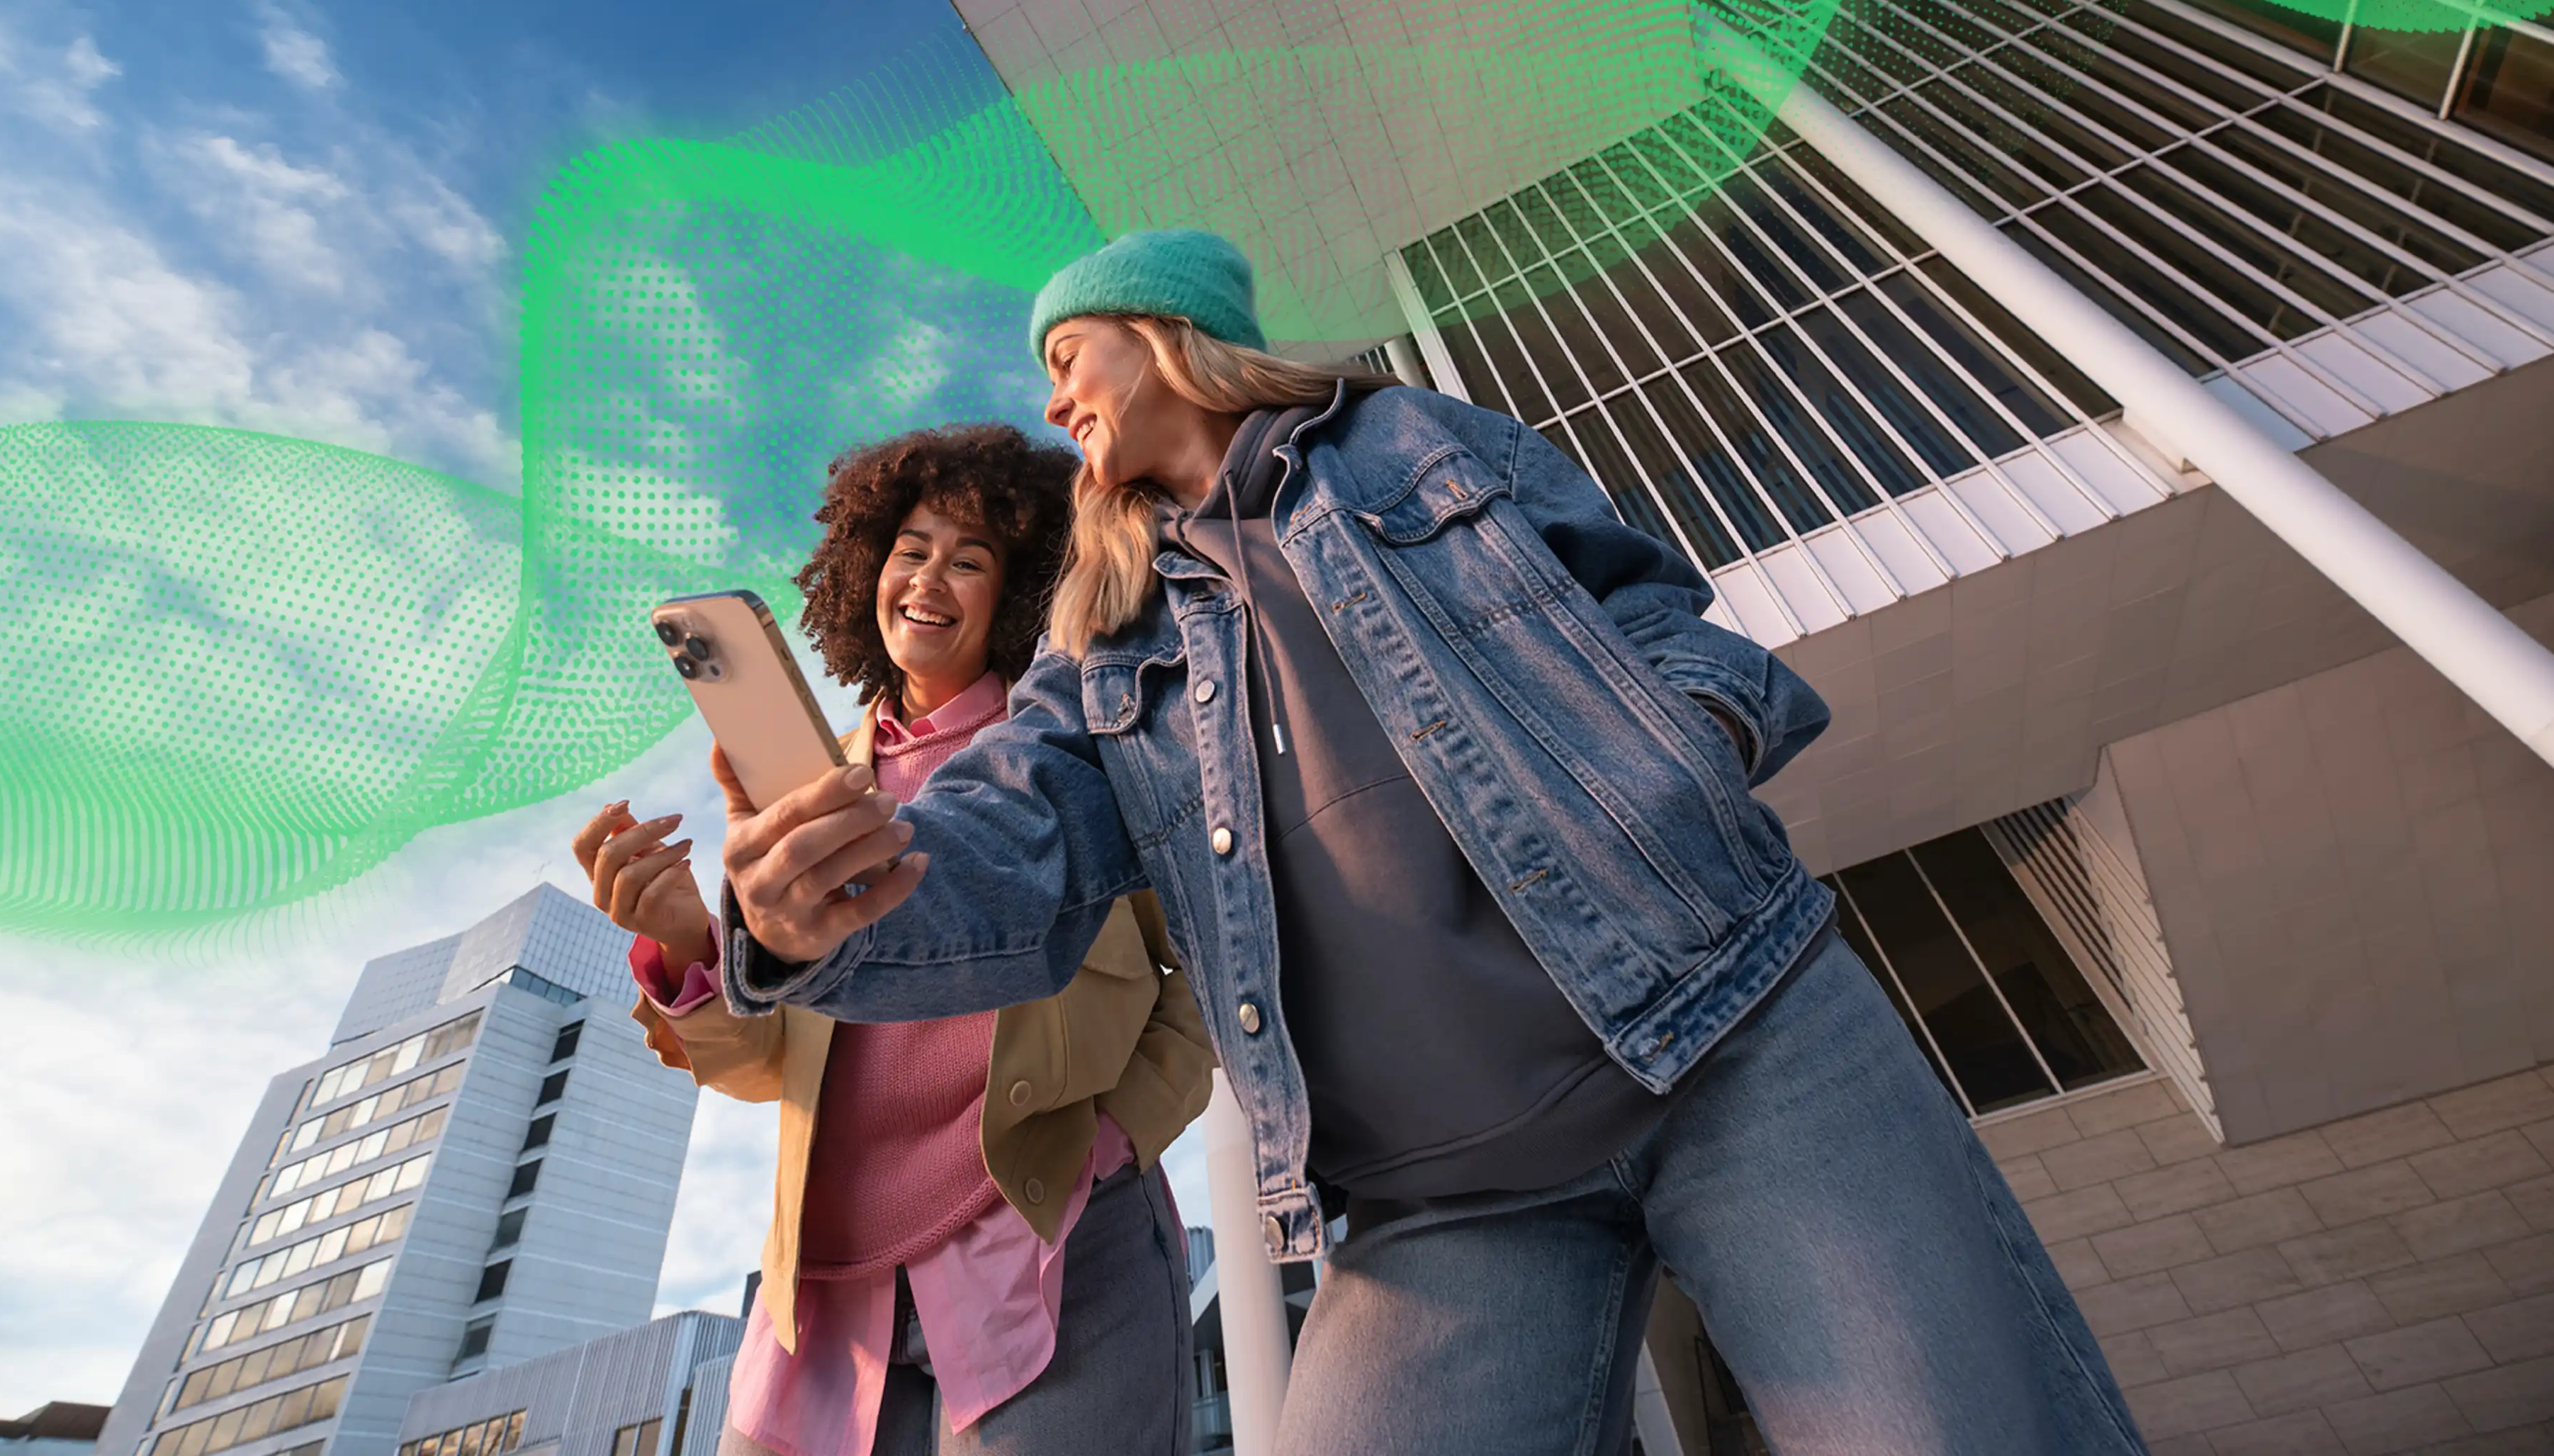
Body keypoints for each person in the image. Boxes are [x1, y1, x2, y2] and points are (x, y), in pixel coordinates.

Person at [710, 229, 2149, 1455]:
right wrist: (806, 920)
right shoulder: (1099, 635)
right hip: (1436, 1194)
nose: (1051, 392)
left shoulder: (1404, 437)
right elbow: (1007, 842)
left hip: (1730, 1033)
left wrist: (1680, 757)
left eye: (1068, 349)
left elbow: (1650, 612)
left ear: (1168, 335)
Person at [574, 422, 1213, 1456]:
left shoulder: (1085, 762)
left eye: (971, 560)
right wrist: (694, 943)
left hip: (1048, 1246)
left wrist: (1118, 1139)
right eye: (911, 550)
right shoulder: (805, 793)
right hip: (823, 1295)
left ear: (1018, 595)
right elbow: (763, 1064)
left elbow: (1200, 970)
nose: (930, 578)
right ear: (868, 568)